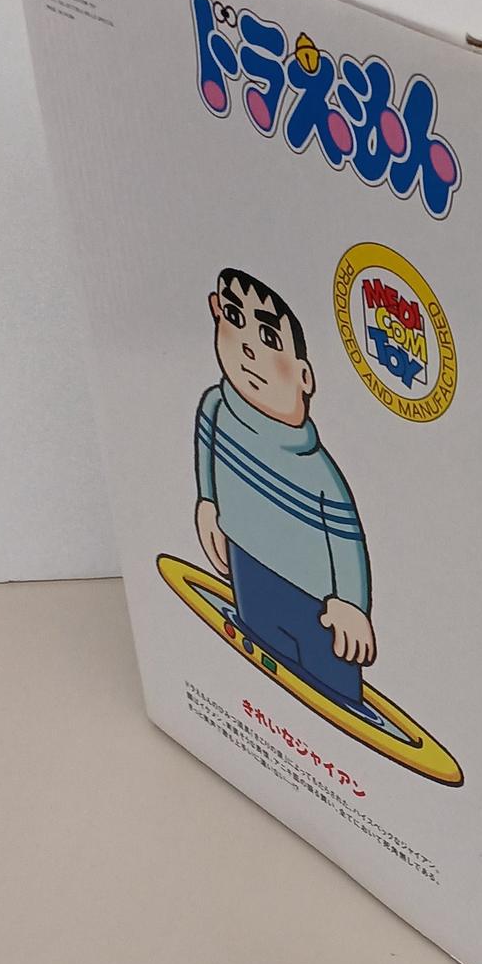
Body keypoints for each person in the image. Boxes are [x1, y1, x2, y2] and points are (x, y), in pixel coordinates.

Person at [194, 268, 374, 706]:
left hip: (316, 607)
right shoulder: (217, 406)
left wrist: (352, 606)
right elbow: (206, 449)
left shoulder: (319, 475)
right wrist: (207, 504)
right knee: (260, 655)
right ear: (215, 311)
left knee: (332, 694)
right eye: (234, 318)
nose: (248, 348)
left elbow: (347, 541)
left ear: (304, 376)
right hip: (246, 566)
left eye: (269, 338)